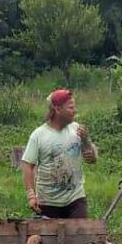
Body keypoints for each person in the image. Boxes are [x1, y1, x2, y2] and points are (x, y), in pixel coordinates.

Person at [21, 89, 97, 218]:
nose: (75, 111)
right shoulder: (39, 135)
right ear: (57, 109)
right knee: (50, 237)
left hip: (75, 198)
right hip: (48, 202)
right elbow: (27, 165)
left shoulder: (77, 130)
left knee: (80, 235)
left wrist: (87, 142)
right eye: (71, 108)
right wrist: (31, 196)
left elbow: (92, 159)